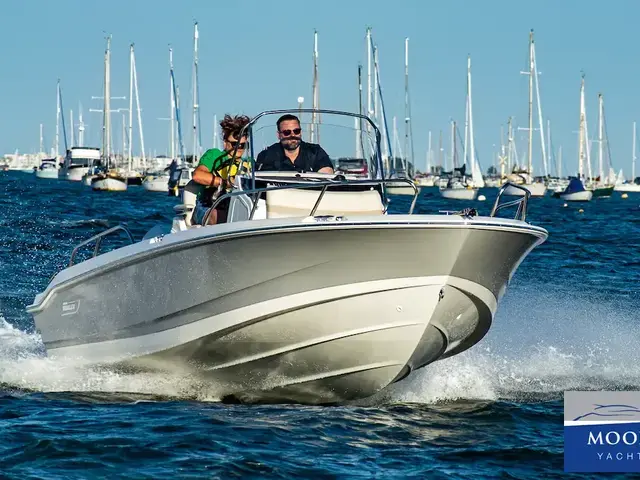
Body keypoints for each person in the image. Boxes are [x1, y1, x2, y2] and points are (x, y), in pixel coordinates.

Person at [189, 114, 251, 225]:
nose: (239, 148)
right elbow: (197, 175)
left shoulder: (249, 163)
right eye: (235, 144)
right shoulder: (214, 155)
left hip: (238, 206)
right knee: (223, 217)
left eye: (242, 145)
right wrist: (225, 183)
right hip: (208, 206)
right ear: (225, 142)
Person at [255, 114, 334, 173]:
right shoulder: (266, 155)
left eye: (296, 131)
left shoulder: (315, 151)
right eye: (287, 132)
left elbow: (326, 174)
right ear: (279, 135)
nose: (292, 135)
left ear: (300, 132)